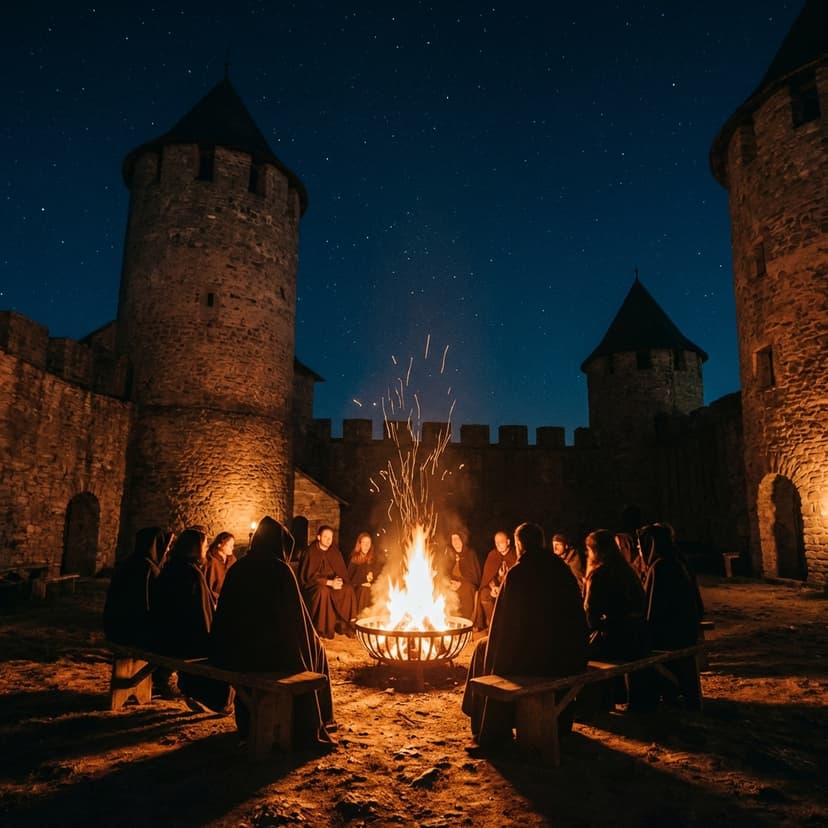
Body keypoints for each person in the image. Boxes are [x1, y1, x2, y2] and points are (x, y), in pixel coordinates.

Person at [210, 516, 335, 747]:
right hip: (270, 655)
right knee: (316, 651)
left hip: (236, 651)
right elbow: (297, 622)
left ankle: (250, 722)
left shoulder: (238, 567)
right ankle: (310, 720)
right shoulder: (280, 570)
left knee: (311, 647)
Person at [462, 522, 588, 747]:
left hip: (536, 660)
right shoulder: (561, 568)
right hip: (566, 654)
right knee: (487, 646)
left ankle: (490, 727)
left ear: (519, 545)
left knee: (484, 649)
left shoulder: (518, 574)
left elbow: (502, 628)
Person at [149, 528, 231, 711]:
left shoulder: (171, 567)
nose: (206, 548)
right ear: (195, 548)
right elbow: (199, 616)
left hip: (163, 634)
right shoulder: (191, 574)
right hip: (180, 639)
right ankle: (211, 698)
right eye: (204, 545)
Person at [583, 529, 654, 711]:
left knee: (581, 653)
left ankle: (598, 703)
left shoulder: (599, 574)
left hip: (618, 639)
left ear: (595, 551)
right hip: (639, 634)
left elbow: (590, 613)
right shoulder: (627, 571)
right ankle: (619, 694)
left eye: (589, 550)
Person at [638, 523, 705, 709]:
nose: (639, 551)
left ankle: (646, 700)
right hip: (684, 629)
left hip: (674, 634)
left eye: (640, 546)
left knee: (631, 648)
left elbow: (654, 612)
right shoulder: (676, 560)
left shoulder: (661, 567)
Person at [103, 526, 172, 648]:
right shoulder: (146, 569)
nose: (167, 550)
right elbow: (144, 607)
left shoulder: (130, 562)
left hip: (116, 628)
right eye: (166, 546)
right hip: (131, 632)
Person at [298, 525, 357, 639]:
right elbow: (309, 577)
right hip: (315, 586)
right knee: (323, 591)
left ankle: (343, 626)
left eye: (331, 537)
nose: (329, 540)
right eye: (325, 536)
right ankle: (323, 629)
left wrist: (339, 581)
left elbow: (341, 572)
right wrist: (329, 583)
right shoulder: (311, 551)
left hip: (332, 583)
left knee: (348, 589)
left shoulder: (335, 552)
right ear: (319, 537)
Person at [477, 530, 517, 631]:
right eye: (496, 542)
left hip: (510, 588)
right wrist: (493, 587)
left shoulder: (515, 555)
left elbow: (518, 577)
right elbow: (488, 576)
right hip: (495, 588)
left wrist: (503, 585)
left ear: (508, 542)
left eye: (501, 542)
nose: (498, 545)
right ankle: (493, 626)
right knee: (484, 594)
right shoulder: (493, 555)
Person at [439, 531, 481, 622]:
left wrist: (461, 584)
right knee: (443, 588)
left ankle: (464, 620)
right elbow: (445, 571)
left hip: (468, 583)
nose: (456, 542)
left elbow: (474, 575)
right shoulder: (450, 554)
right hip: (453, 583)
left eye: (457, 539)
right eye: (453, 540)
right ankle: (448, 618)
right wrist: (449, 582)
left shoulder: (470, 553)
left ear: (462, 540)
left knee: (468, 589)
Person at [203, 531, 237, 607]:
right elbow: (208, 587)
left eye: (233, 545)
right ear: (220, 544)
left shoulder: (232, 560)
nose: (232, 548)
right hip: (214, 602)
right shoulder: (210, 562)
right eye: (230, 545)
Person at [348, 532, 377, 616]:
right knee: (363, 590)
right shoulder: (354, 559)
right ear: (359, 544)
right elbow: (349, 578)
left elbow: (379, 575)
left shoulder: (374, 559)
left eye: (368, 543)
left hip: (371, 586)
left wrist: (372, 578)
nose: (366, 545)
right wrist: (363, 581)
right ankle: (360, 617)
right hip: (357, 587)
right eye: (364, 543)